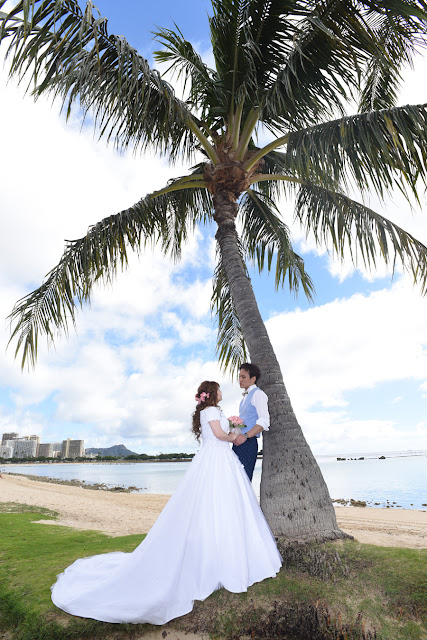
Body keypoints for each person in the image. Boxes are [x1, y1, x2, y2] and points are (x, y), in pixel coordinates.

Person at [51, 381, 281, 625]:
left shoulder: (214, 411)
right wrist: (234, 435)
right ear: (212, 394)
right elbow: (218, 435)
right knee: (216, 505)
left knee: (222, 507)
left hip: (220, 460)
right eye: (220, 389)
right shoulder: (211, 412)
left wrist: (233, 432)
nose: (224, 392)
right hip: (216, 461)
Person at [233, 363, 269, 481]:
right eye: (239, 376)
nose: (240, 380)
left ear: (253, 379)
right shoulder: (243, 399)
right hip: (238, 443)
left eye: (243, 377)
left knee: (244, 480)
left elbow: (264, 421)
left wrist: (246, 436)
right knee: (234, 480)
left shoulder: (258, 394)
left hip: (248, 443)